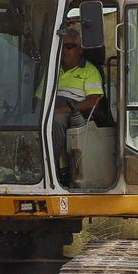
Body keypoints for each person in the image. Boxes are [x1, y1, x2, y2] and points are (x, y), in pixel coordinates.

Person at [52, 28, 103, 183]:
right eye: (62, 47)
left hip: (72, 112)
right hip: (50, 110)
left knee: (56, 122)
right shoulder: (52, 71)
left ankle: (48, 165)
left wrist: (61, 110)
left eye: (69, 46)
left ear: (80, 49)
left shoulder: (90, 71)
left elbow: (93, 101)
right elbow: (39, 98)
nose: (65, 50)